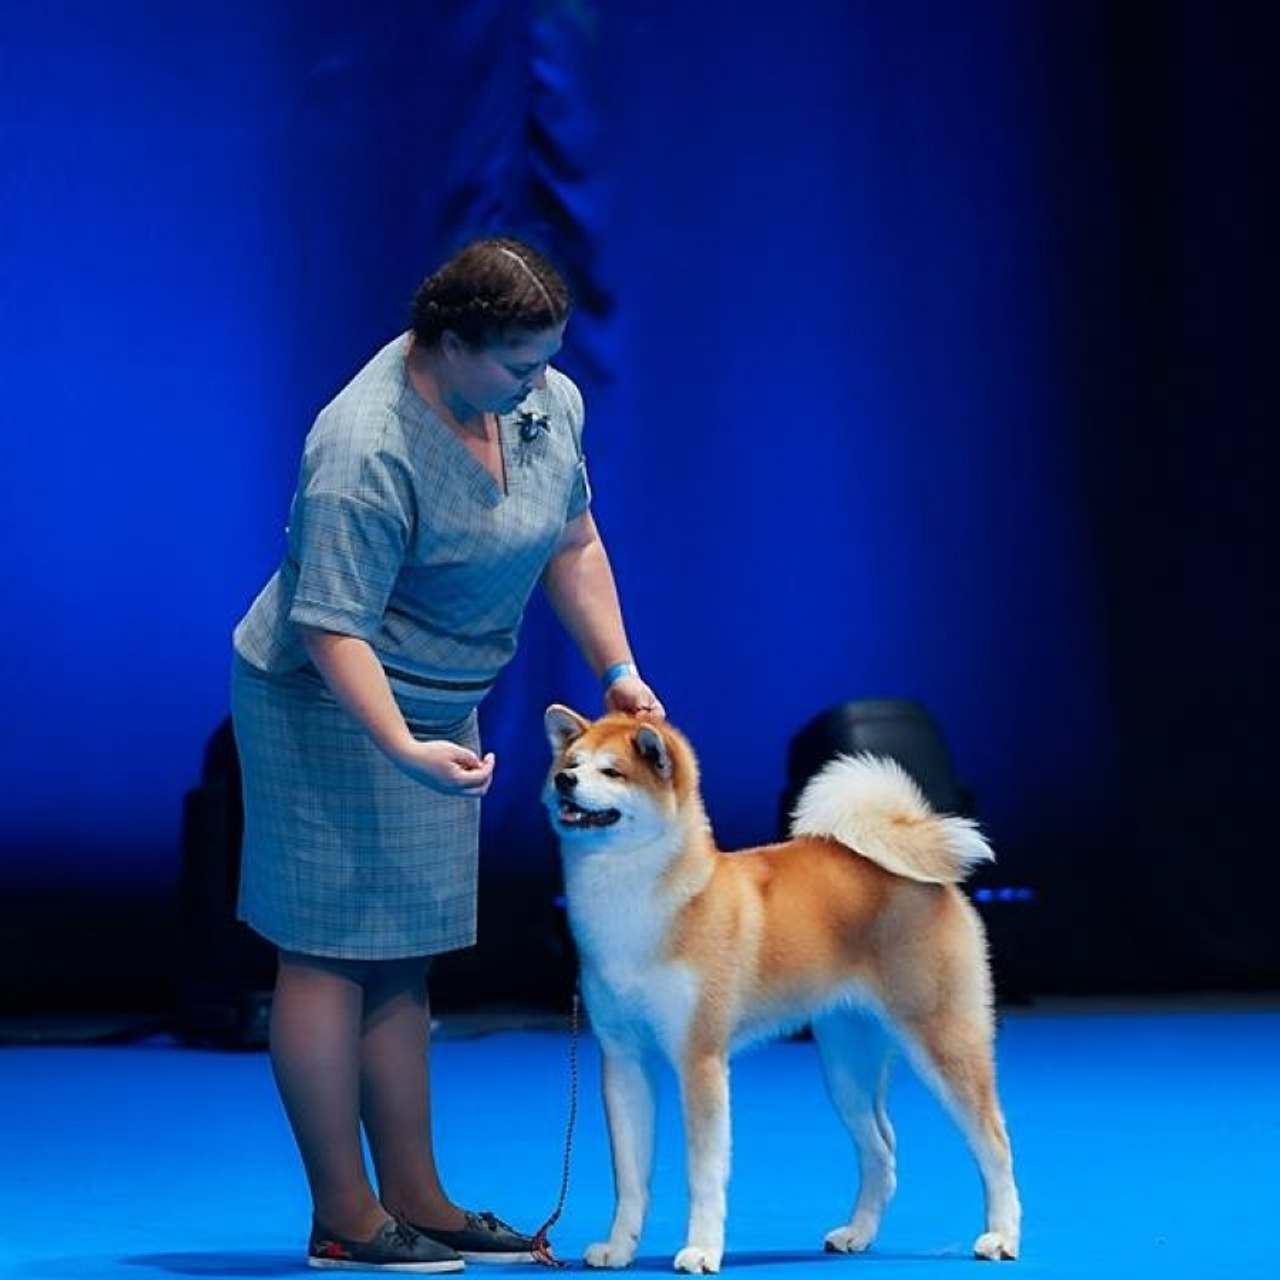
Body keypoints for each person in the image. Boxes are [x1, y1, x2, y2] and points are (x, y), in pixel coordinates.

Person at [230, 234, 664, 1273]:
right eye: (517, 363)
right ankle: (344, 1213)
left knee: (405, 947)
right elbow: (333, 627)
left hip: (438, 704)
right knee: (329, 948)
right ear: (449, 342)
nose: (539, 383)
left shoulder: (542, 402)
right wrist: (400, 744)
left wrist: (617, 668)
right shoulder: (361, 444)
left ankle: (417, 1197)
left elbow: (574, 540)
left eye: (547, 360)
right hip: (326, 701)